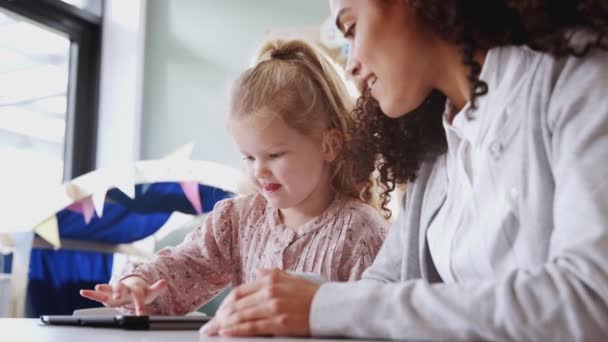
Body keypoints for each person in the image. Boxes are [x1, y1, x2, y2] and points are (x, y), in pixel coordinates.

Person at [200, 0, 608, 340]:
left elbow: (591, 301)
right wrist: (280, 306)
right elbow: (382, 290)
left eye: (352, 28)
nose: (352, 65)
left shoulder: (578, 79)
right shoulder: (437, 149)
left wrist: (324, 306)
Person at [79, 39, 387, 316]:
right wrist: (139, 283)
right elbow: (184, 265)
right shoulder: (238, 220)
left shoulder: (359, 231)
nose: (259, 171)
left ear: (329, 145)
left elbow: (376, 321)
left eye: (275, 155)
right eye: (249, 157)